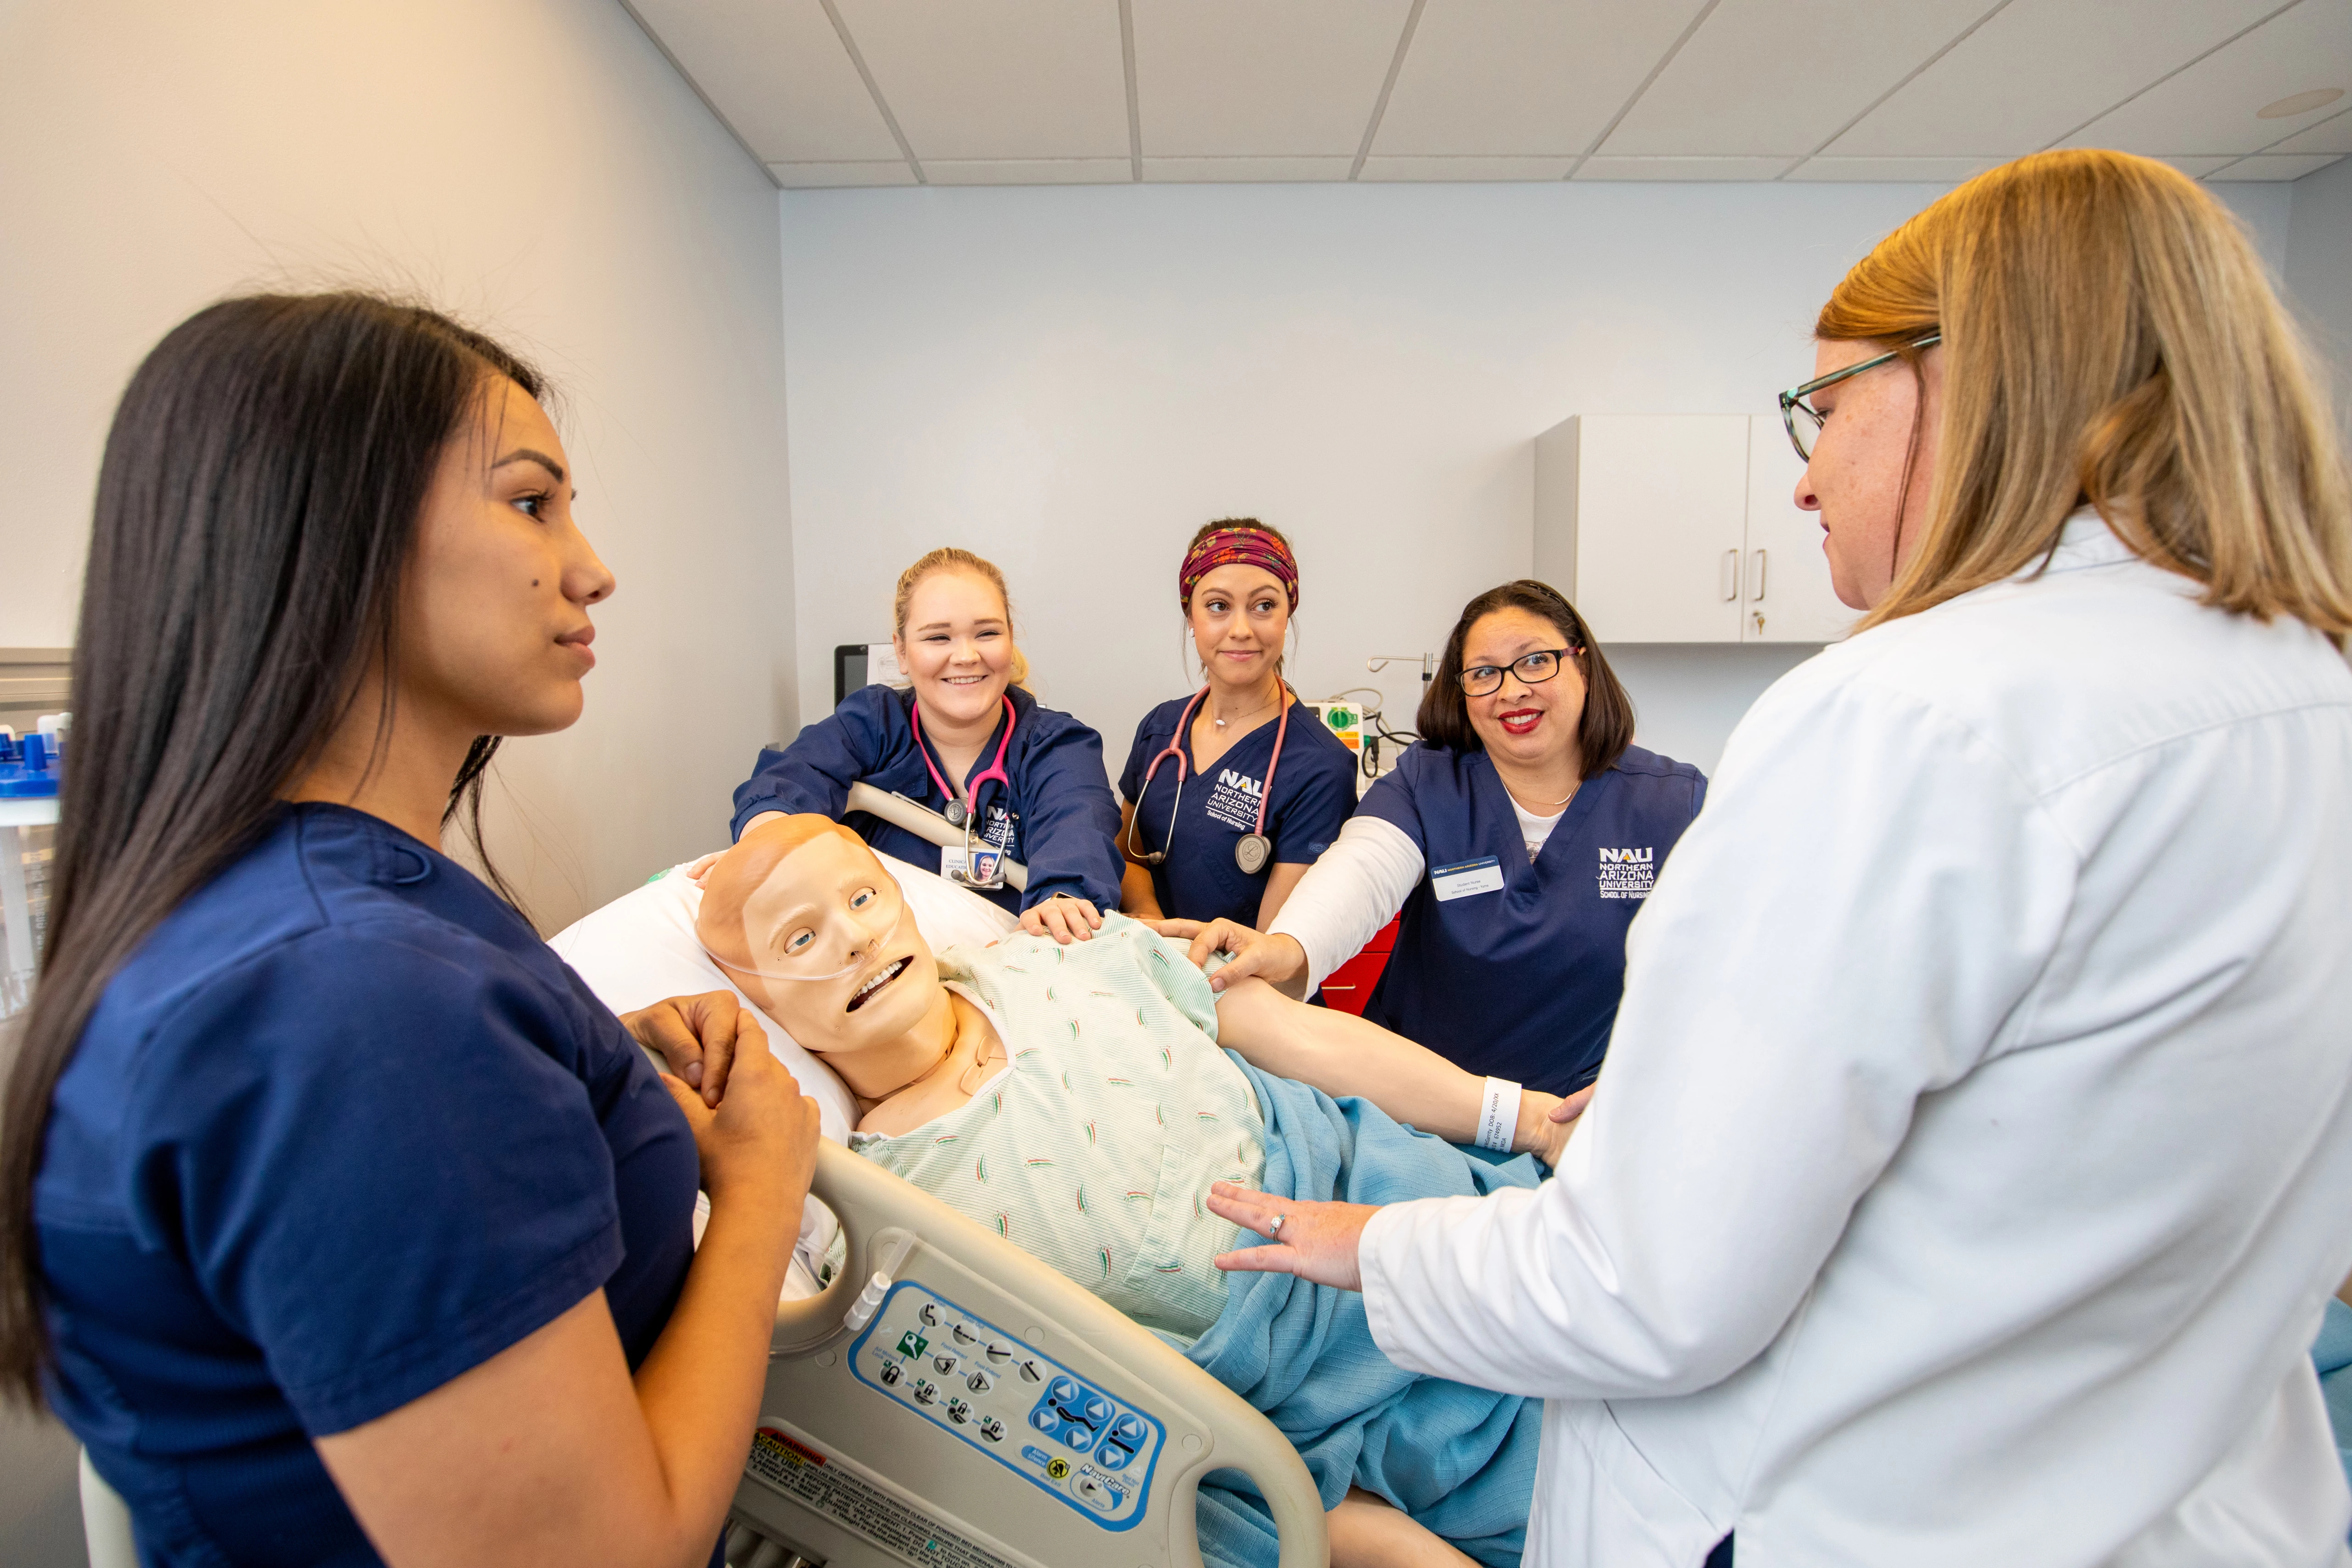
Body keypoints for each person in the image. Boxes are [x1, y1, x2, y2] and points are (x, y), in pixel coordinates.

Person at [1200, 150, 2352, 1568]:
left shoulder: (1893, 720)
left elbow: (1646, 1286)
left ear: (1974, 379)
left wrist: (1371, 1247)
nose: (1801, 480)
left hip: (1839, 1501)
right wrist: (1284, 954)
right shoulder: (2309, 691)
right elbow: (1351, 887)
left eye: (1822, 408)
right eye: (1481, 669)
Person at [0, 293, 824, 1568]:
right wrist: (762, 1191)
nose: (593, 566)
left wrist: (577, 1071)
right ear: (333, 532)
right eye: (532, 501)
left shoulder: (312, 924)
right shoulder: (355, 996)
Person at [627, 814, 1594, 1568]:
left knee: (1646, 1340)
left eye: (864, 898)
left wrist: (1521, 1117)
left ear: (908, 902)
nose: (851, 939)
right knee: (1604, 1493)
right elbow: (1114, 1437)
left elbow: (1291, 1037)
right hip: (1312, 1398)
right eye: (799, 937)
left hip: (1396, 1196)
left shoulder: (1067, 951)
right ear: (757, 996)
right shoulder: (876, 1215)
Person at [1180, 580, 1704, 1097]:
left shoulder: (1673, 804)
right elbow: (1362, 869)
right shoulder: (1427, 781)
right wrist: (1287, 946)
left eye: (1535, 661)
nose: (1512, 689)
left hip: (1579, 1113)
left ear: (1582, 665)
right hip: (1415, 1102)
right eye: (1483, 673)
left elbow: (1733, 968)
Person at [729, 547, 1123, 944]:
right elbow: (789, 780)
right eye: (938, 637)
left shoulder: (1057, 745)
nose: (967, 656)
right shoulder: (872, 723)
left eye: (987, 633)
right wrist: (765, 848)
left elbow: (1078, 827)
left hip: (1008, 970)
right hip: (876, 961)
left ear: (1010, 640)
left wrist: (1061, 900)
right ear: (901, 651)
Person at [1117, 520, 1357, 931]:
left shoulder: (1320, 767)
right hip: (1149, 971)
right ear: (1190, 616)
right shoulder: (1161, 728)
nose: (1242, 630)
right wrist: (1152, 923)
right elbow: (1126, 855)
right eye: (1218, 606)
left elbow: (1270, 947)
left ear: (1287, 616)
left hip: (1238, 986)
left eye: (1264, 606)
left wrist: (1175, 955)